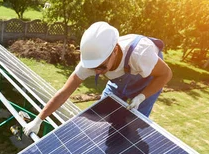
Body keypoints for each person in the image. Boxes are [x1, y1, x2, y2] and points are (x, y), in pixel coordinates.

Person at [24, 22, 172, 136]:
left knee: (132, 125)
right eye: (93, 67)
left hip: (146, 82)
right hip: (117, 83)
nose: (96, 71)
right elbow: (64, 93)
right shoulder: (93, 61)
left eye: (101, 67)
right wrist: (39, 120)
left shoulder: (140, 55)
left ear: (114, 50)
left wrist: (141, 96)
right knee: (104, 117)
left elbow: (166, 75)